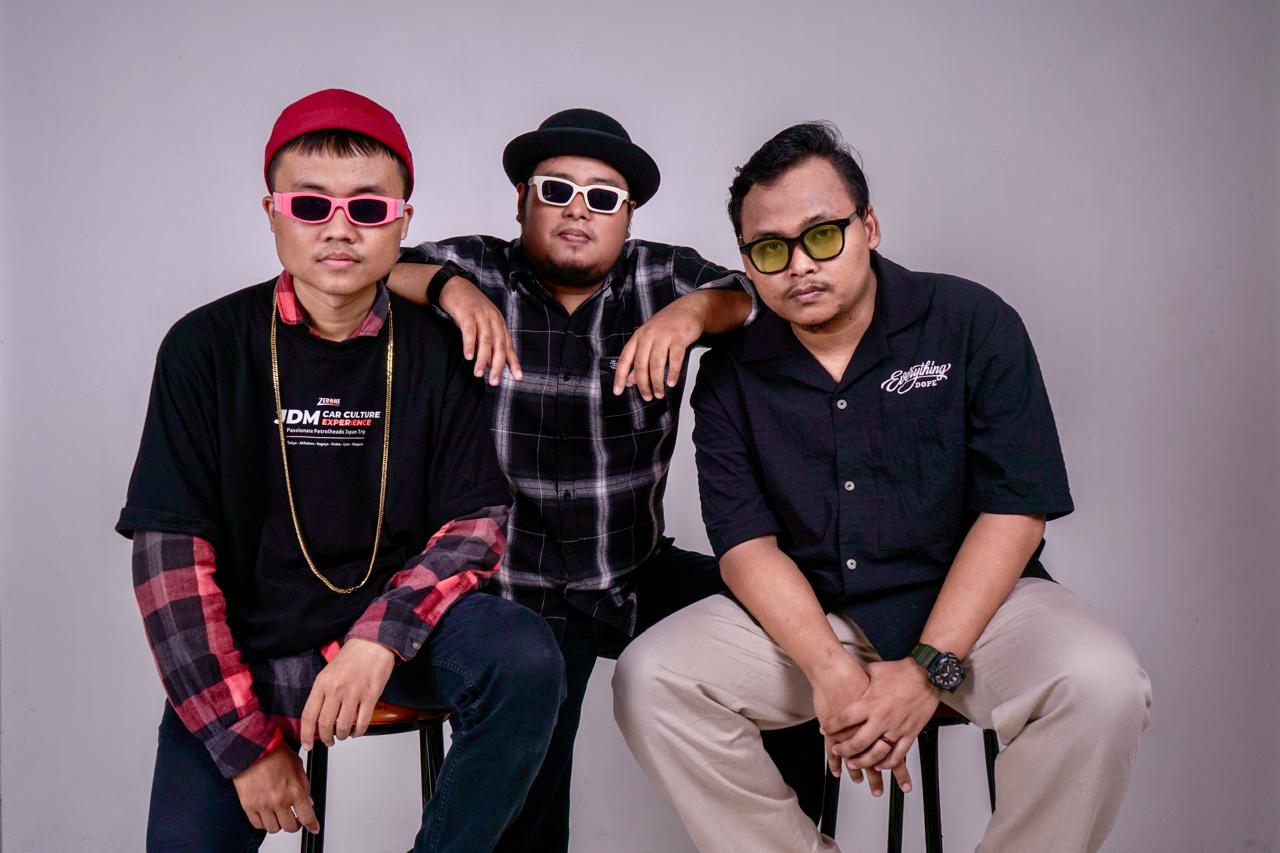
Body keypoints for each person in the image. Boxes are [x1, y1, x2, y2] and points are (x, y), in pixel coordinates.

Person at [613, 122, 1152, 852]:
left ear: (868, 226)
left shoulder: (970, 322)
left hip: (977, 612)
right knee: (651, 680)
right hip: (816, 619)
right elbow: (745, 546)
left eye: (822, 235)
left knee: (1101, 683)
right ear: (747, 261)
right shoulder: (731, 375)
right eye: (770, 250)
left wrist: (927, 671)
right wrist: (830, 671)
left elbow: (1016, 511)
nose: (800, 265)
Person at [117, 88, 564, 853]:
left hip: (396, 645)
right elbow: (170, 566)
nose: (338, 227)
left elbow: (475, 524)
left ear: (403, 223)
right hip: (250, 660)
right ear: (272, 213)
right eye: (310, 203)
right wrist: (245, 745)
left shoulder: (440, 348)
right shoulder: (203, 347)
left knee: (522, 654)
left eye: (367, 208)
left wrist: (378, 639)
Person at [387, 109, 818, 852]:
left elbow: (747, 296)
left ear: (629, 215)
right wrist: (450, 290)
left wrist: (690, 314)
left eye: (603, 196)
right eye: (556, 190)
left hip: (628, 570)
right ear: (521, 202)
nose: (578, 210)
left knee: (792, 625)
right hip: (510, 590)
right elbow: (371, 265)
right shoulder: (478, 269)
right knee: (525, 819)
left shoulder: (660, 276)